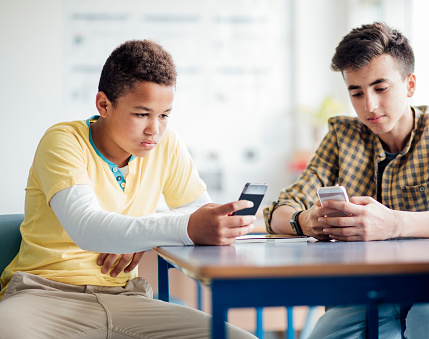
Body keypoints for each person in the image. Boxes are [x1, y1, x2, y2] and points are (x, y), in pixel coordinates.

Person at [0, 39, 257, 338]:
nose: (154, 130)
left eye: (164, 115)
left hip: (126, 298)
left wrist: (137, 234)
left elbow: (198, 209)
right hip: (43, 296)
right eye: (141, 114)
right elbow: (87, 228)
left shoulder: (166, 143)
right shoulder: (63, 140)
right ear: (104, 105)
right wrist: (152, 230)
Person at [264, 22, 429, 338]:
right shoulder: (342, 136)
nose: (369, 106)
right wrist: (304, 221)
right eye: (356, 92)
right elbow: (279, 210)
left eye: (380, 88)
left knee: (428, 328)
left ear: (410, 84)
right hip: (369, 291)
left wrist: (393, 225)